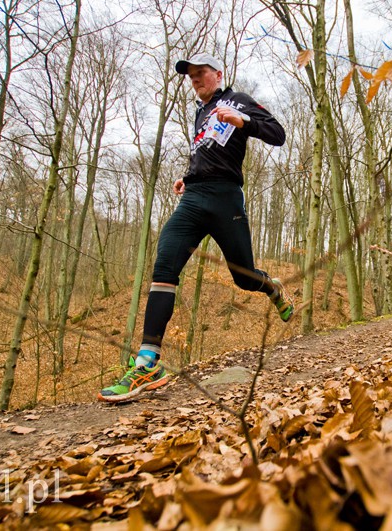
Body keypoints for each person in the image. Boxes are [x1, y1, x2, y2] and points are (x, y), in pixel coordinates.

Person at [99, 53, 293, 402]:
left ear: (218, 74)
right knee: (164, 267)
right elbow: (206, 152)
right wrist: (187, 177)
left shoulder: (240, 101)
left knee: (244, 277)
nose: (196, 81)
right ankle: (148, 363)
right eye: (190, 77)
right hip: (193, 199)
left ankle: (272, 288)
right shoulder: (199, 113)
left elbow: (278, 134)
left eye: (201, 74)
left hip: (225, 200)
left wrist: (243, 120)